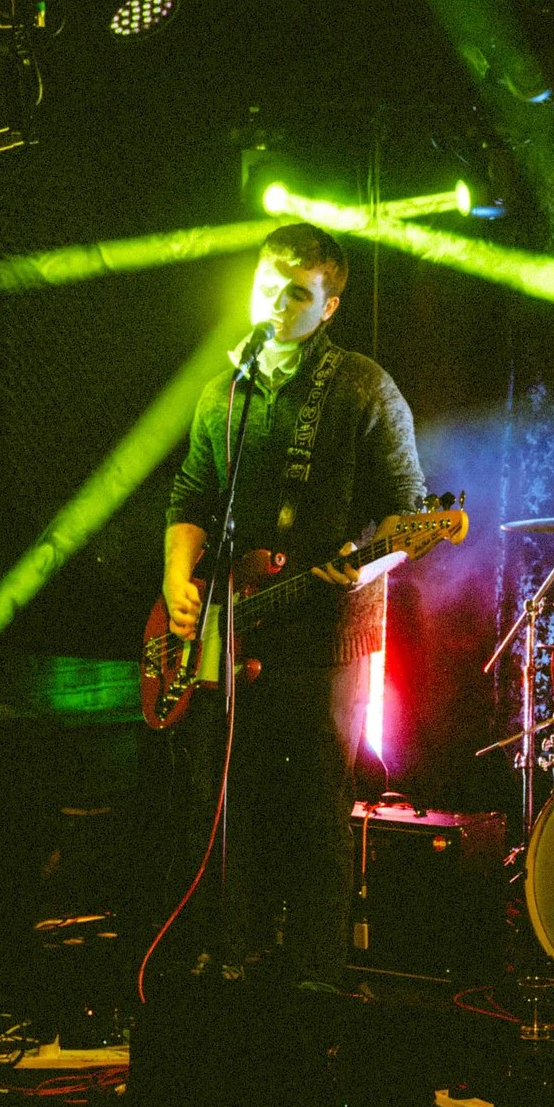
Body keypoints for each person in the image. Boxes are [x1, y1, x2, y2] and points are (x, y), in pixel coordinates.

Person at [161, 222, 427, 994]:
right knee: (226, 811)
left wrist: (362, 563)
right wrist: (179, 577)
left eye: (298, 292)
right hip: (233, 635)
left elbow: (408, 518)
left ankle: (316, 984)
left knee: (317, 814)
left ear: (331, 305)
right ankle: (232, 961)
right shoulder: (224, 390)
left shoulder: (362, 387)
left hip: (328, 641)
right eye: (268, 282)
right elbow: (192, 495)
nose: (276, 301)